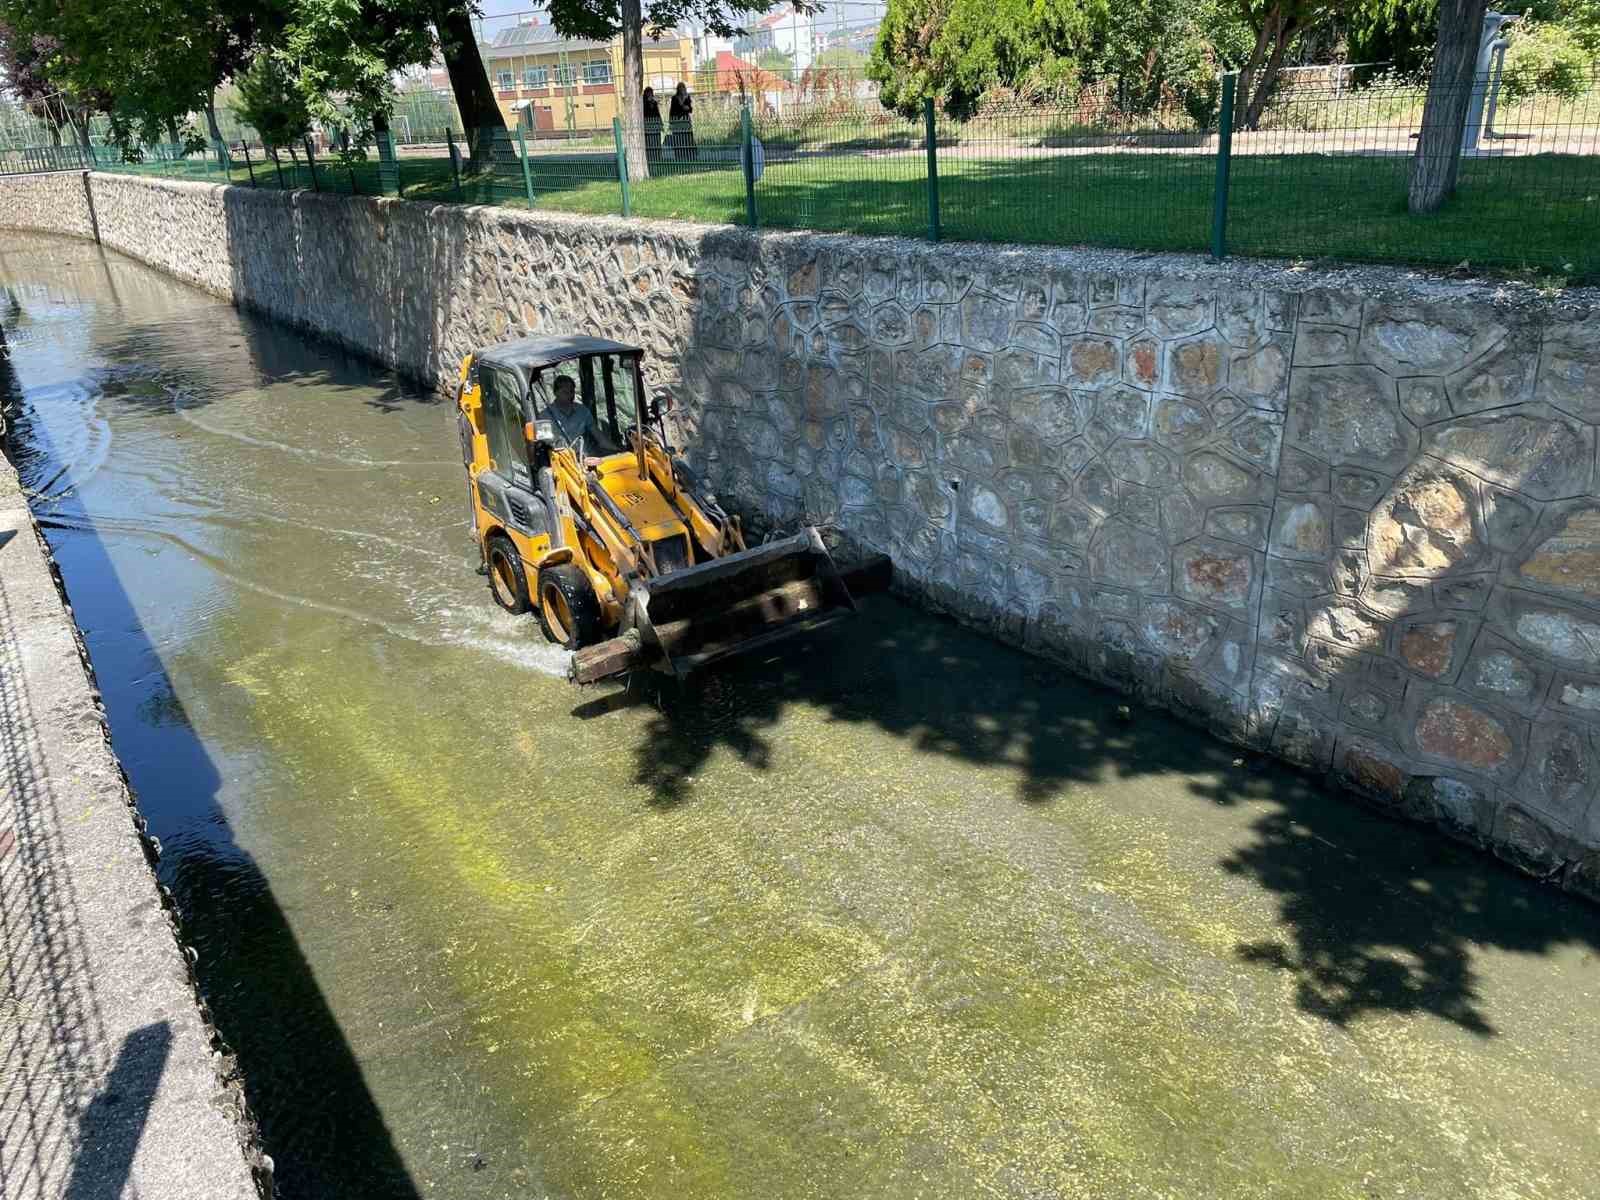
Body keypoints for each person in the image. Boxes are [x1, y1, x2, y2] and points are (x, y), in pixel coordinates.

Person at [668, 82, 697, 161]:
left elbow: (690, 109)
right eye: (680, 88)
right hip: (677, 121)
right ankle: (679, 156)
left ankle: (689, 155)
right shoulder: (674, 98)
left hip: (685, 120)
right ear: (678, 89)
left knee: (687, 138)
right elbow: (672, 110)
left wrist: (687, 107)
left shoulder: (687, 97)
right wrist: (671, 121)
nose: (681, 89)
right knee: (678, 138)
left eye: (683, 88)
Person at [642, 87, 663, 163]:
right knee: (649, 142)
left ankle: (658, 157)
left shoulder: (654, 102)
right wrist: (648, 102)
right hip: (647, 125)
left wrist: (660, 123)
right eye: (649, 93)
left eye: (651, 93)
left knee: (657, 141)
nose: (650, 94)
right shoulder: (642, 102)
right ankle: (650, 158)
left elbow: (657, 113)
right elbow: (643, 113)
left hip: (655, 125)